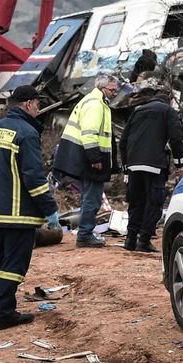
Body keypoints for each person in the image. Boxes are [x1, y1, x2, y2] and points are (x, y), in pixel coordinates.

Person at [0, 85, 58, 330]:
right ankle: (4, 313)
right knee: (14, 266)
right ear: (28, 104)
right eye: (37, 103)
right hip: (19, 213)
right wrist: (49, 209)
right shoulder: (26, 132)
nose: (38, 108)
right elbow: (34, 178)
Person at [118, 74, 183, 253]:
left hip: (133, 165)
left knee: (136, 202)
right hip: (155, 165)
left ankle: (130, 239)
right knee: (153, 202)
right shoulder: (168, 112)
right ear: (168, 101)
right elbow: (176, 138)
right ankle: (144, 240)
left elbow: (123, 141)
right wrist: (179, 164)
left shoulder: (137, 111)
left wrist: (126, 166)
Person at [52, 73, 119, 247]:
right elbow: (89, 133)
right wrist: (95, 158)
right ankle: (85, 234)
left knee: (89, 196)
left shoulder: (94, 101)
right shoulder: (96, 105)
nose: (115, 93)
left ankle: (85, 232)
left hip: (86, 157)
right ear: (102, 88)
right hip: (91, 158)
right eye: (112, 90)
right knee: (93, 197)